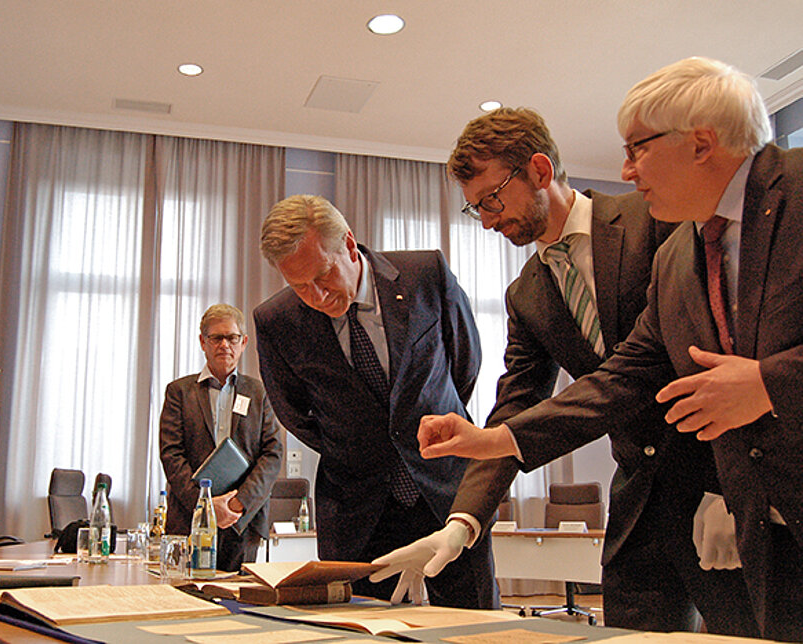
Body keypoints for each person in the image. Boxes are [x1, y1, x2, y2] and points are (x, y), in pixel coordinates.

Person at [411, 57, 803, 641]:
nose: (626, 169)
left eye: (492, 199)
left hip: (734, 488)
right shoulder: (548, 288)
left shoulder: (670, 221)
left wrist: (761, 407)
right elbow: (623, 376)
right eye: (477, 207)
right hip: (652, 506)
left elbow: (731, 369)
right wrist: (474, 494)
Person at [252, 195, 498, 608]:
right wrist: (357, 444)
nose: (317, 295)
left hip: (448, 496)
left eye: (324, 275)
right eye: (299, 286)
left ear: (349, 246)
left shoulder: (425, 274)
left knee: (475, 629)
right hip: (357, 512)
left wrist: (426, 424)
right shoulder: (276, 321)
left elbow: (464, 365)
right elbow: (294, 412)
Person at [159, 303, 283, 572]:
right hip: (190, 520)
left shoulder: (260, 392)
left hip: (242, 521)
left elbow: (272, 454)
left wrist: (240, 502)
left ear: (244, 342)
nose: (224, 345)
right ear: (203, 342)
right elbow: (171, 454)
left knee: (239, 604)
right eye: (216, 338)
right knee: (188, 601)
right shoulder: (179, 392)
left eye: (232, 338)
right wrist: (204, 505)